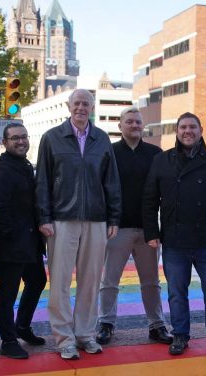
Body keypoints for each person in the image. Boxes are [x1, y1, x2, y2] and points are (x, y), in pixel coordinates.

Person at [143, 112, 206, 360]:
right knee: (176, 292)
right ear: (177, 130)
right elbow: (150, 200)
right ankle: (180, 336)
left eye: (192, 127)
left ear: (201, 130)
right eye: (183, 127)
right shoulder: (162, 160)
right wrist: (152, 233)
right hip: (174, 240)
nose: (188, 131)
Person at [35, 89, 121, 360]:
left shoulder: (102, 139)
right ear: (68, 106)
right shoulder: (52, 138)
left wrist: (114, 218)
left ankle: (85, 334)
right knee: (60, 281)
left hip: (96, 220)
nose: (81, 108)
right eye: (77, 103)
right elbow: (43, 182)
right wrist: (44, 218)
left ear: (92, 107)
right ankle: (64, 338)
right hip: (62, 220)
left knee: (90, 280)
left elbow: (112, 182)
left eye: (86, 103)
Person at [96, 107, 172, 346]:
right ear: (120, 126)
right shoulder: (109, 152)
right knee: (109, 281)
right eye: (129, 122)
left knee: (151, 282)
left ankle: (157, 324)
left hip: (148, 230)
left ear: (143, 126)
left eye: (138, 122)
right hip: (117, 228)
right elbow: (101, 189)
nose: (134, 125)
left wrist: (160, 229)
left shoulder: (156, 154)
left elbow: (165, 192)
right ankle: (106, 323)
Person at [0, 123, 47, 360]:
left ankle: (22, 325)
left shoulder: (23, 166)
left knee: (37, 280)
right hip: (10, 243)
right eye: (15, 138)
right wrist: (11, 236)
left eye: (24, 137)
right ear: (5, 142)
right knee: (8, 292)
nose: (21, 141)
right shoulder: (2, 169)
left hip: (30, 240)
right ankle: (8, 340)